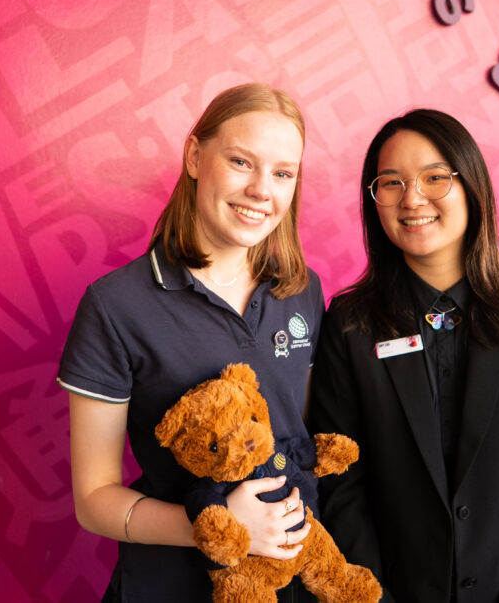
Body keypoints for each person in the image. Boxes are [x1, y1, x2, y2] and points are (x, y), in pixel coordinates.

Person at [307, 109, 499, 602]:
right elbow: (341, 487)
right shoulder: (350, 324)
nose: (412, 198)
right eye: (392, 182)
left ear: (472, 187)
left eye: (434, 177)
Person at [58, 83, 325, 601]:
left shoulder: (301, 290)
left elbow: (299, 441)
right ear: (195, 157)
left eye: (283, 173)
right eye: (242, 162)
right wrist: (219, 527)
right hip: (170, 585)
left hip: (288, 582)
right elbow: (93, 500)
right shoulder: (115, 305)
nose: (262, 190)